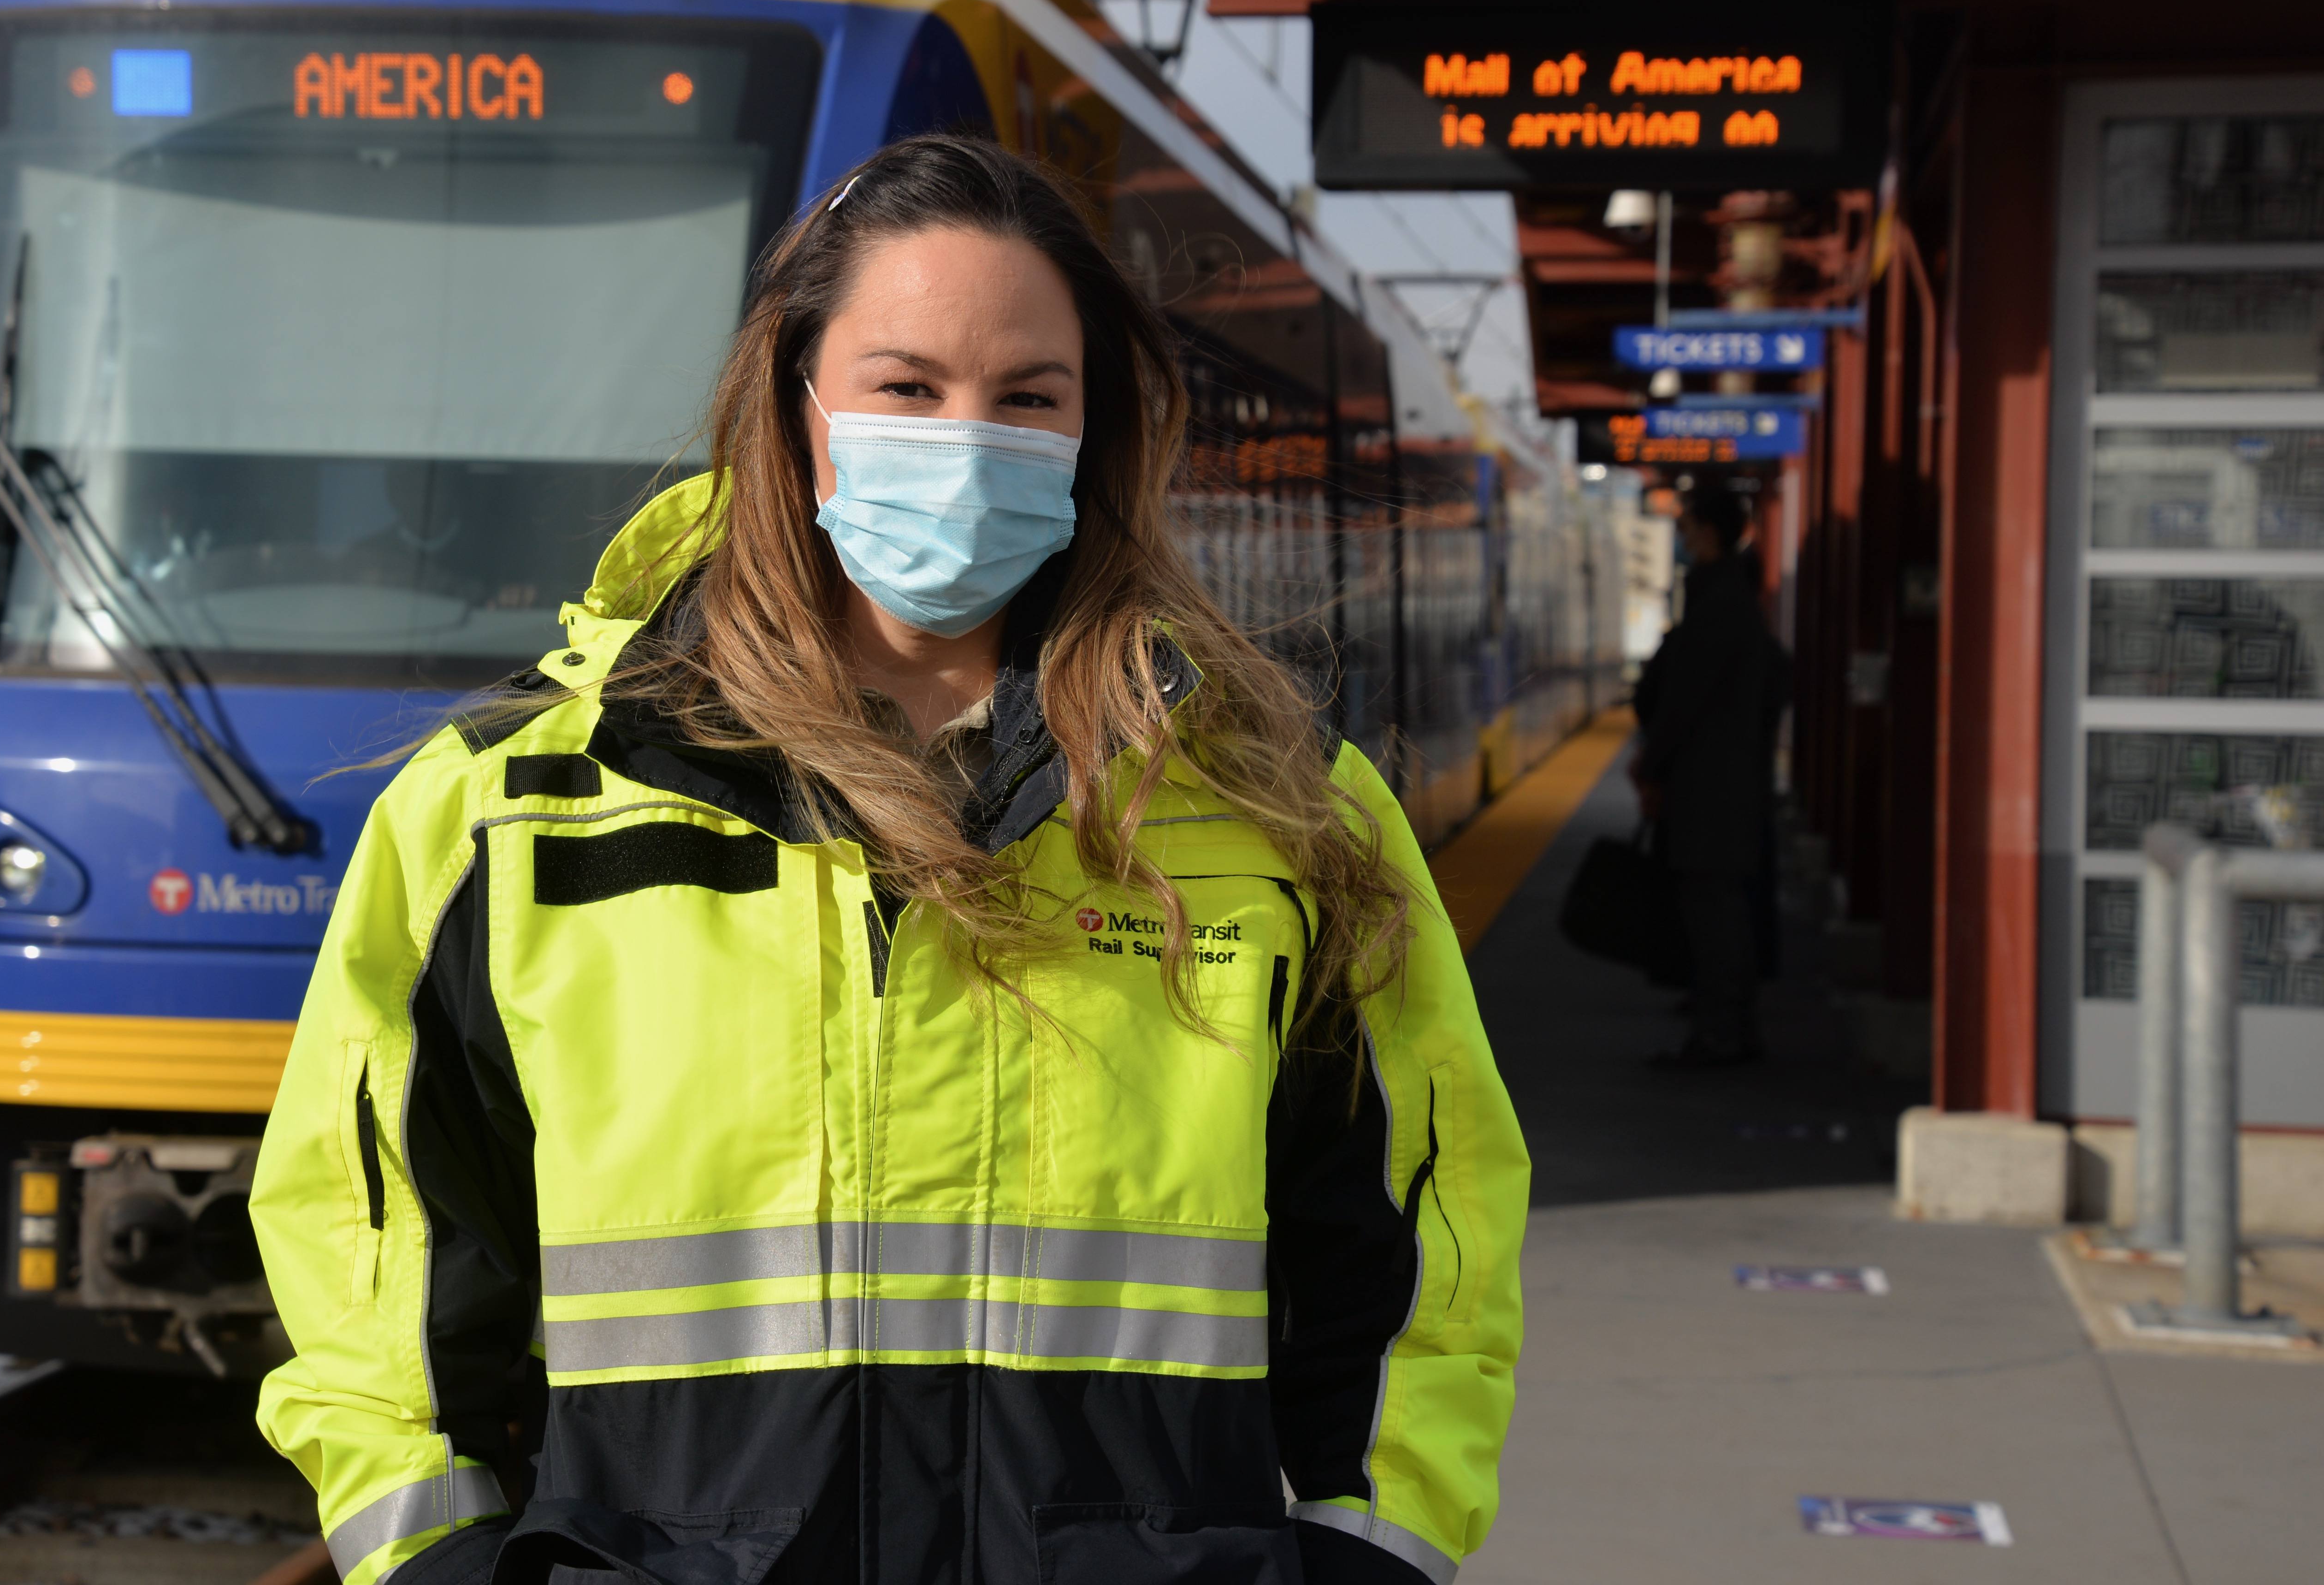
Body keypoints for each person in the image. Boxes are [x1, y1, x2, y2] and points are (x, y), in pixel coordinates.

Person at [248, 136, 1529, 1585]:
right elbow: (378, 1250)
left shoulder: (1286, 814)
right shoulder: (512, 817)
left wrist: (1369, 1560)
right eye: (906, 388)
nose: (966, 439)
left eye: (1026, 397)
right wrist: (440, 1566)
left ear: (1094, 429)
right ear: (792, 410)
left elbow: (1427, 1245)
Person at [1630, 486, 1792, 1069]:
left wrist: (1651, 762)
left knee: (1714, 909)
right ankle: (1726, 1025)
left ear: (1708, 531)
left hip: (1711, 789)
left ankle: (1723, 1034)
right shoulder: (1736, 598)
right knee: (1719, 906)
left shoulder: (1718, 602)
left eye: (1688, 524)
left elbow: (1683, 700)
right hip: (1725, 784)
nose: (1682, 534)